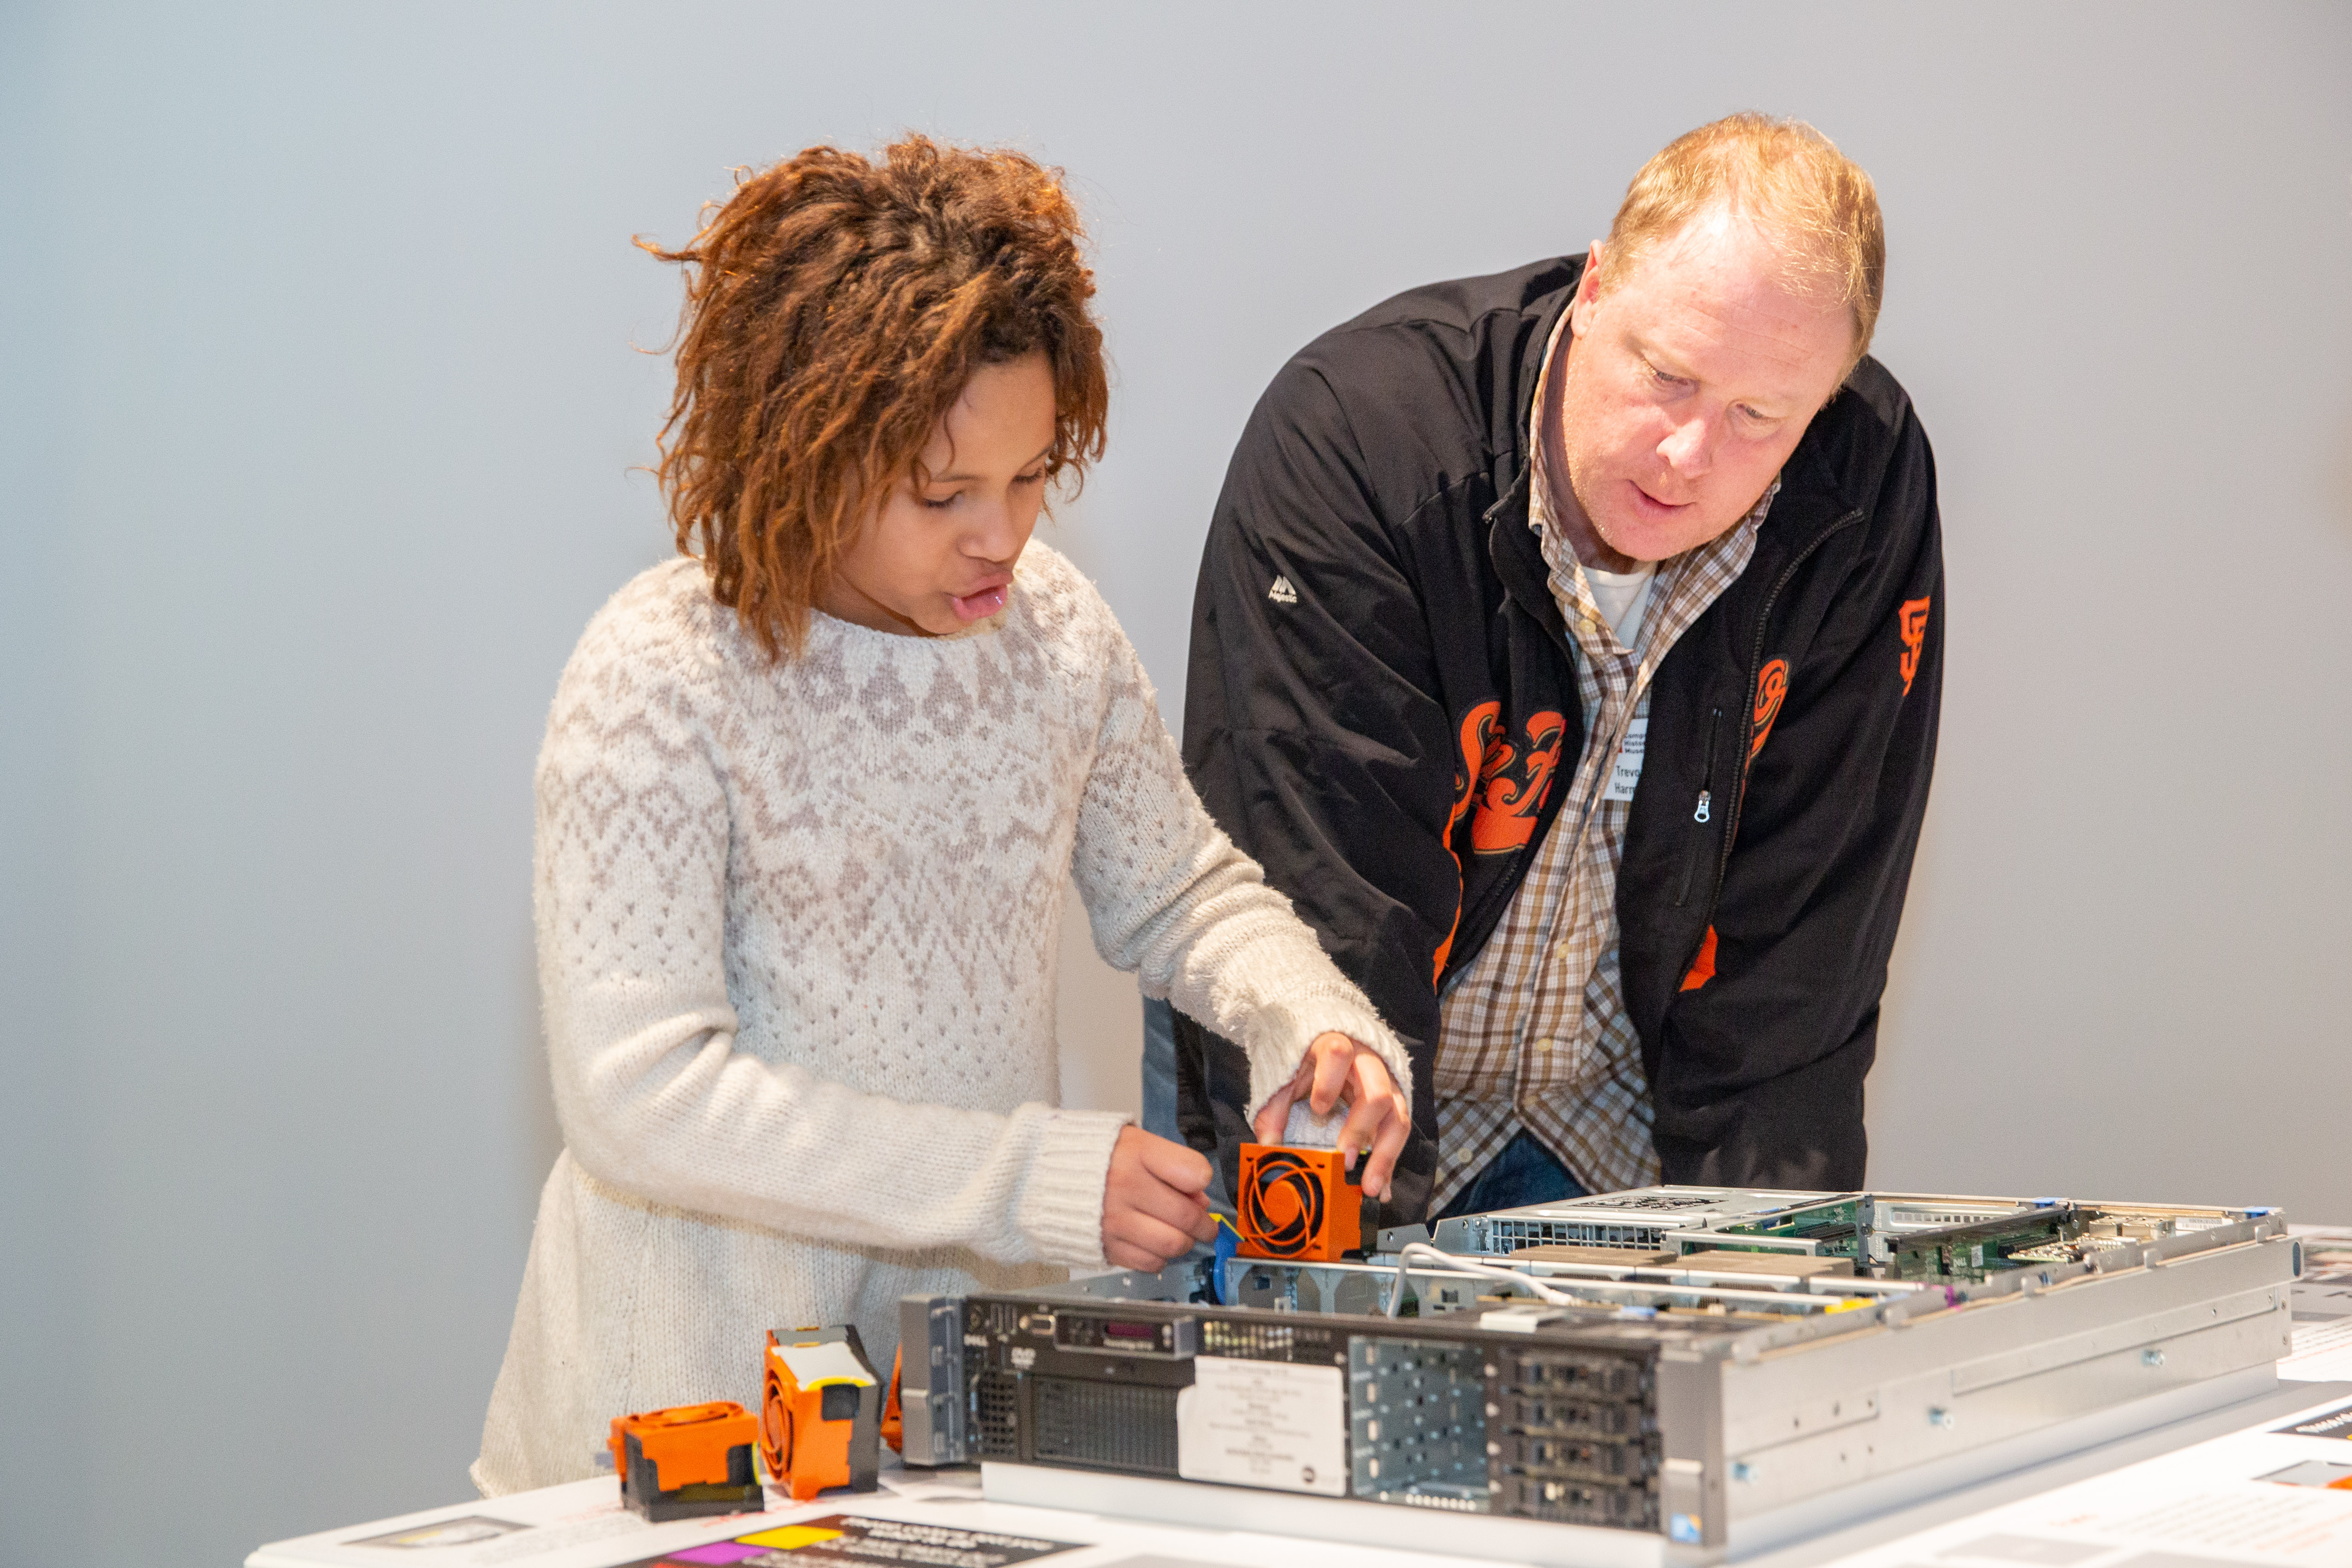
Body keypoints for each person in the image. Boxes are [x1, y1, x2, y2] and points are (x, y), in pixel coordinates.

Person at [474, 136, 1410, 1495]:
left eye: (1031, 475)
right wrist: (1031, 1177)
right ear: (800, 450)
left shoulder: (1056, 633)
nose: (1003, 535)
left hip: (957, 1423)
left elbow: (1181, 893)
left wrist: (1308, 1019)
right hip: (676, 1426)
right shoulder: (658, 674)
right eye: (941, 492)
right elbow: (643, 1097)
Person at [1169, 113, 1942, 1223]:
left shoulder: (1859, 490)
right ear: (1593, 289)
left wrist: (1764, 1267)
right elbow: (1323, 930)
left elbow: (1803, 952)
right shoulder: (1362, 443)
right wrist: (1342, 1282)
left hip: (1623, 1120)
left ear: (1822, 404)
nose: (1687, 454)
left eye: (1758, 416)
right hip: (1357, 1078)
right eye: (1666, 375)